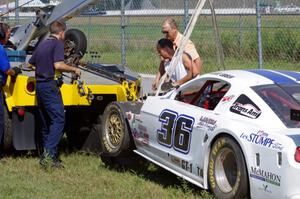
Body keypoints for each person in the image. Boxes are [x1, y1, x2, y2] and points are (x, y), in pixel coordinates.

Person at [29, 21, 81, 168]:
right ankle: (49, 156)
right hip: (50, 87)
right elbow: (58, 65)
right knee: (58, 120)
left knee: (46, 123)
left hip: (39, 86)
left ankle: (46, 156)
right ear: (62, 33)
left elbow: (31, 63)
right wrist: (74, 69)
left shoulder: (42, 44)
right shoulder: (58, 43)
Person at [0, 23, 21, 162]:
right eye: (8, 32)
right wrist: (15, 71)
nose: (9, 35)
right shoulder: (0, 50)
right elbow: (7, 70)